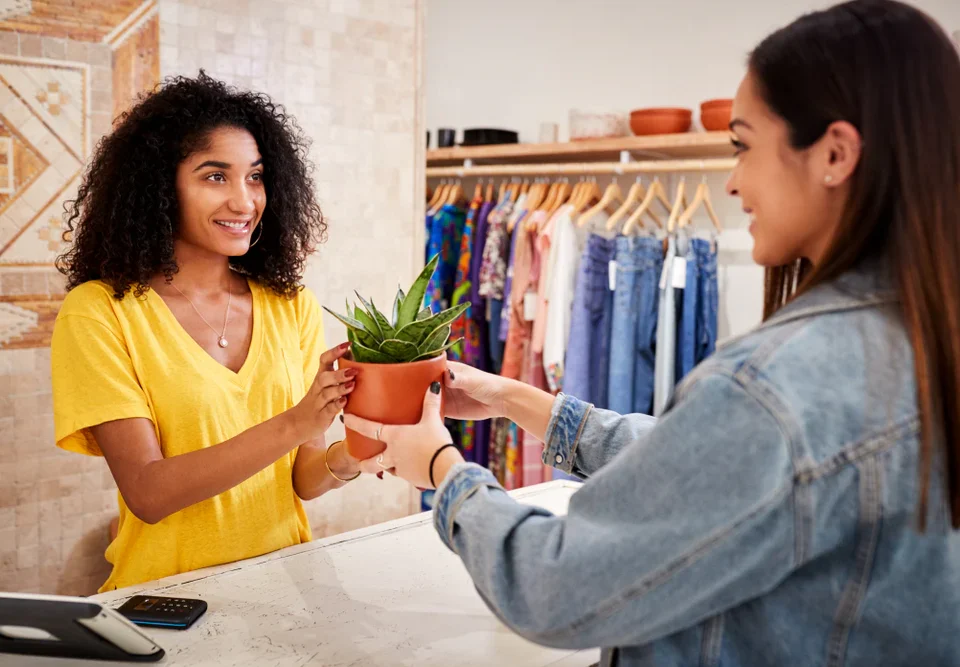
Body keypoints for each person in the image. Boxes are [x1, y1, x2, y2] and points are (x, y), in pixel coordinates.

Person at [350, 2, 960, 664]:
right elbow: (719, 474)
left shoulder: (774, 386)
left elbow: (553, 585)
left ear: (835, 154)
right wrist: (516, 399)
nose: (732, 180)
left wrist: (443, 466)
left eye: (743, 145)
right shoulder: (925, 335)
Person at [52, 73, 361, 592]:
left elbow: (304, 479)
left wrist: (360, 450)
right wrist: (294, 422)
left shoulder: (292, 306)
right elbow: (148, 494)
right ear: (159, 186)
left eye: (256, 177)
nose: (244, 202)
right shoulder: (101, 313)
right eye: (215, 176)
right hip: (167, 606)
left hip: (288, 595)